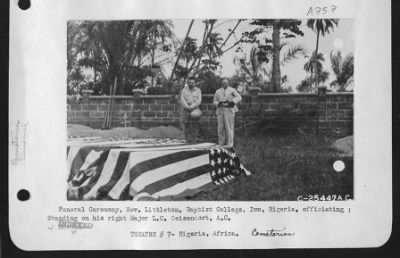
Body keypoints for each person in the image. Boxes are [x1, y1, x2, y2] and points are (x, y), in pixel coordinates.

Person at [213, 78, 242, 147]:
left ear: (228, 83)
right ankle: (221, 143)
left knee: (229, 127)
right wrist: (218, 103)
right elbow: (214, 101)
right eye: (223, 83)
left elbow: (239, 97)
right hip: (220, 111)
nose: (224, 84)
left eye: (226, 83)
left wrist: (232, 102)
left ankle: (230, 144)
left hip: (229, 110)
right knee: (220, 128)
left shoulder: (232, 90)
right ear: (221, 84)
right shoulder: (218, 91)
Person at [180, 76, 202, 143]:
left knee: (195, 124)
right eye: (189, 82)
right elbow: (182, 99)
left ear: (195, 83)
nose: (191, 84)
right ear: (187, 83)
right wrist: (187, 107)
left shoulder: (198, 90)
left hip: (195, 108)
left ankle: (194, 140)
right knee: (186, 124)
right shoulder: (184, 90)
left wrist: (192, 106)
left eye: (192, 82)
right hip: (186, 109)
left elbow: (199, 100)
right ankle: (186, 140)